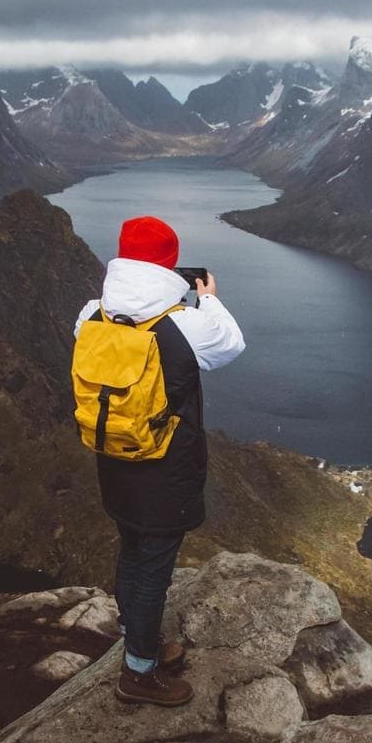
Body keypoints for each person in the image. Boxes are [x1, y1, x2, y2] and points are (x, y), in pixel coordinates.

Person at [73, 215, 245, 706]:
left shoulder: (92, 314)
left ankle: (136, 635)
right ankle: (139, 672)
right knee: (153, 569)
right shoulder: (184, 325)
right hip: (165, 468)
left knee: (132, 548)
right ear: (169, 265)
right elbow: (231, 343)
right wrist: (207, 295)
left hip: (115, 459)